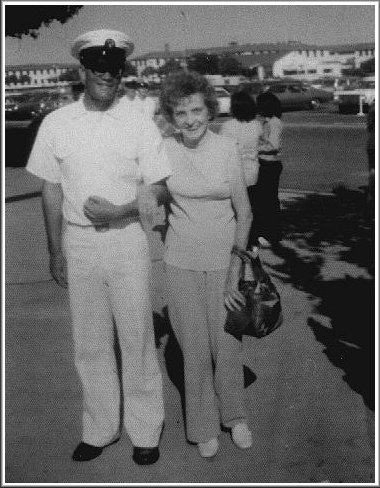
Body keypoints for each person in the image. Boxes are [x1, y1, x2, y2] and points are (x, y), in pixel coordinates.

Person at [26, 29, 172, 466]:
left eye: (115, 69)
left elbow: (160, 188)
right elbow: (51, 189)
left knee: (137, 338)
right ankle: (100, 427)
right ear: (83, 69)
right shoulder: (57, 122)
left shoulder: (138, 121)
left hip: (127, 241)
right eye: (98, 68)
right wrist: (55, 250)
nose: (107, 76)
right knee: (89, 342)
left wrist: (123, 210)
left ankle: (145, 431)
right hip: (79, 244)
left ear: (121, 70)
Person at [159, 71, 253, 458]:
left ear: (209, 110)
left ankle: (235, 416)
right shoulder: (163, 150)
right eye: (181, 113)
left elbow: (244, 214)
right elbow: (157, 203)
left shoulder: (226, 147)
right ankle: (202, 425)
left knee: (227, 344)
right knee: (192, 347)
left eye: (197, 110)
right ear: (172, 115)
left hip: (223, 263)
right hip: (181, 263)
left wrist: (235, 272)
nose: (191, 119)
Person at [220, 91, 263, 243]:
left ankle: (239, 242)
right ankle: (253, 242)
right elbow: (261, 143)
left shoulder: (228, 126)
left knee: (235, 210)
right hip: (252, 172)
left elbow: (222, 151)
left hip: (235, 174)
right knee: (250, 208)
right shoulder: (257, 125)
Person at [250, 91, 283, 247]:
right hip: (264, 163)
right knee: (263, 200)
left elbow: (274, 145)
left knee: (268, 200)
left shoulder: (274, 123)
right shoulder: (266, 122)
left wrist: (256, 148)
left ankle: (272, 234)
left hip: (270, 164)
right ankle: (266, 232)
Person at [366, 100, 375, 205]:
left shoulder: (373, 108)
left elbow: (369, 127)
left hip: (372, 143)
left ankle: (371, 195)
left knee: (373, 169)